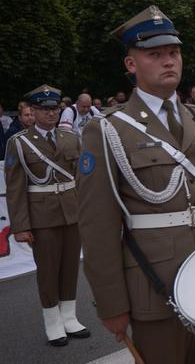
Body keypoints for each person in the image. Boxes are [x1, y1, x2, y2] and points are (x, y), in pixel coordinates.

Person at [77, 5, 195, 364]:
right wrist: (112, 304)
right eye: (155, 54)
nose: (168, 61)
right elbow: (98, 227)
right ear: (131, 64)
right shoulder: (107, 130)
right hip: (154, 287)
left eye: (174, 52)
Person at [5, 84, 89, 347]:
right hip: (42, 217)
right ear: (32, 111)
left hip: (71, 212)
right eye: (43, 110)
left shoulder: (71, 138)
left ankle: (69, 317)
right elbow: (15, 189)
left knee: (70, 268)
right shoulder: (19, 143)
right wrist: (20, 226)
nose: (50, 114)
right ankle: (52, 322)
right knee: (48, 271)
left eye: (54, 109)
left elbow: (82, 180)